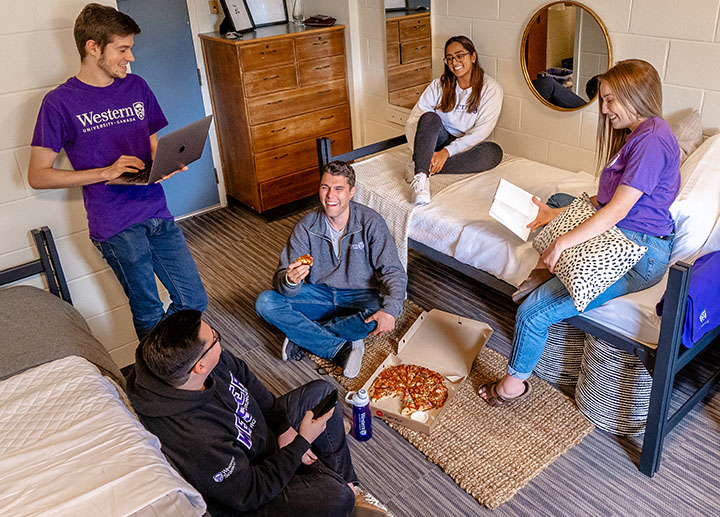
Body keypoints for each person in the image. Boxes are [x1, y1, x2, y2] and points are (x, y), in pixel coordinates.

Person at [481, 59, 681, 406]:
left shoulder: (651, 141)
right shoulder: (643, 133)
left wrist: (561, 243)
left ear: (635, 96)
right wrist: (553, 213)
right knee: (559, 199)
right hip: (623, 232)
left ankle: (511, 388)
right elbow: (605, 200)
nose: (604, 110)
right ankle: (546, 264)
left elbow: (617, 210)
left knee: (532, 313)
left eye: (610, 100)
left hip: (637, 254)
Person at [27, 3, 207, 339]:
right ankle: (165, 377)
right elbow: (38, 174)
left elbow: (152, 147)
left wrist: (164, 165)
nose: (131, 57)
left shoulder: (136, 87)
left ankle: (169, 358)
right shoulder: (59, 103)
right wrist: (104, 172)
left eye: (131, 49)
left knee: (193, 299)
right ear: (92, 47)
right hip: (115, 224)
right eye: (122, 49)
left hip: (156, 210)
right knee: (148, 311)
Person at [126, 310, 385, 517]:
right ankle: (339, 491)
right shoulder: (194, 438)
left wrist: (284, 428)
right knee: (334, 496)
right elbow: (249, 493)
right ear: (200, 366)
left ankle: (350, 486)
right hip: (249, 495)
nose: (218, 335)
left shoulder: (198, 365)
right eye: (215, 337)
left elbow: (247, 380)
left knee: (322, 393)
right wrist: (300, 444)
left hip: (264, 441)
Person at [255, 161, 407, 379]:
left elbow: (393, 271)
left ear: (352, 192)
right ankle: (338, 346)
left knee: (383, 312)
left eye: (338, 189)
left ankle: (304, 336)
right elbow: (280, 280)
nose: (330, 196)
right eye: (325, 187)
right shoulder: (306, 226)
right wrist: (289, 280)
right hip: (320, 294)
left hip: (362, 296)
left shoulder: (370, 222)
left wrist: (391, 310)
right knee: (265, 302)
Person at [404, 35, 504, 205]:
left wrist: (446, 153)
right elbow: (414, 120)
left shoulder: (490, 89)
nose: (454, 62)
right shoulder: (439, 85)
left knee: (493, 152)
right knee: (429, 118)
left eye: (460, 56)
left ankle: (421, 166)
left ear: (473, 57)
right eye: (449, 58)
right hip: (435, 140)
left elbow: (480, 132)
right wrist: (419, 151)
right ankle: (421, 177)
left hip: (462, 147)